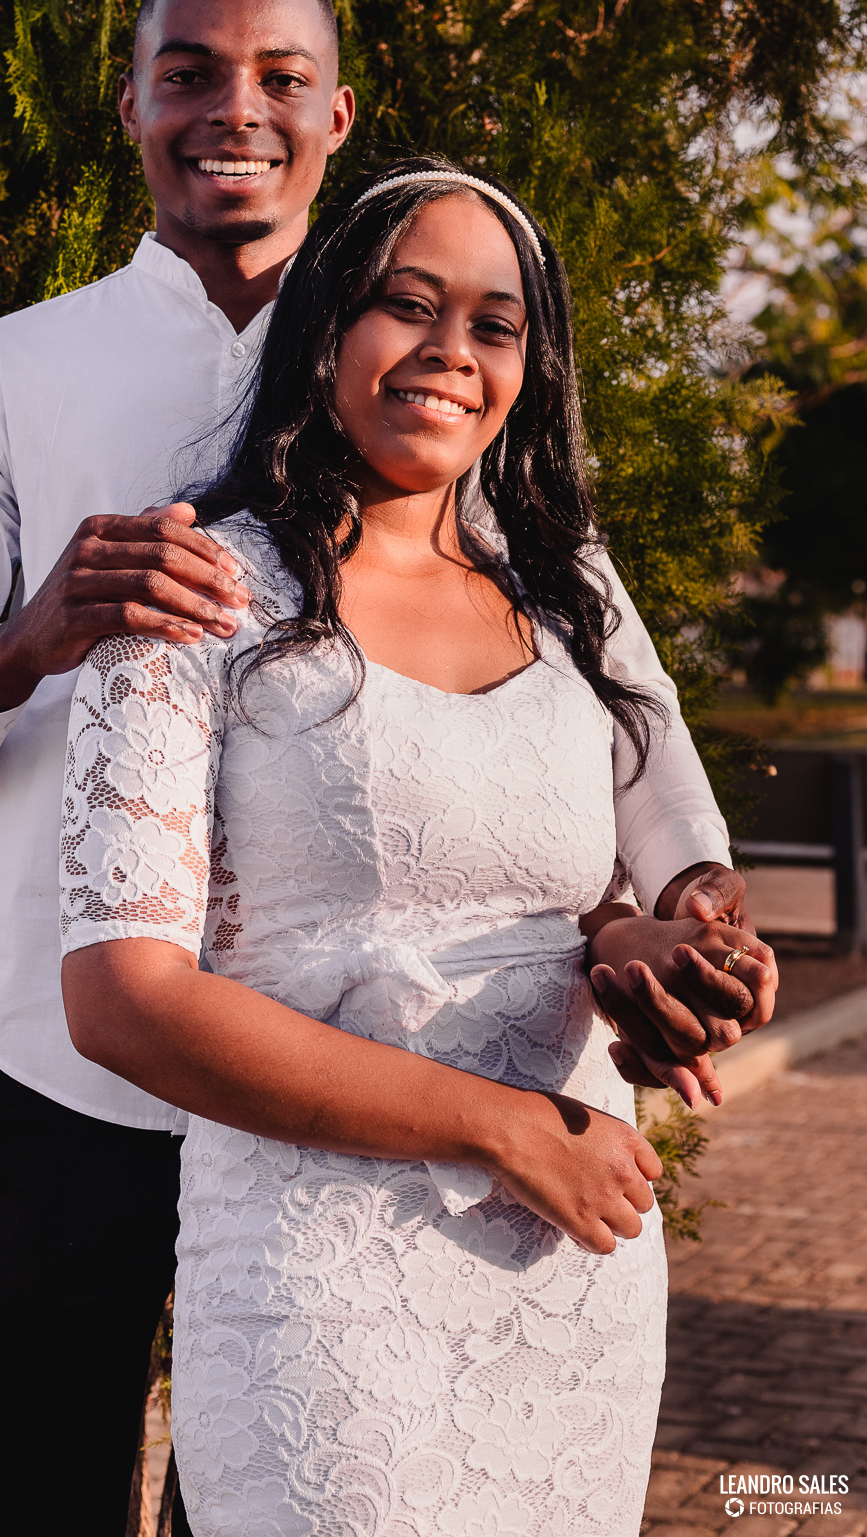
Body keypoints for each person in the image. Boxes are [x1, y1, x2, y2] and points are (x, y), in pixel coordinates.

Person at [0, 0, 772, 1534]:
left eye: (279, 78)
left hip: (378, 1113)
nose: (233, 110)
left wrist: (681, 907)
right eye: (189, 71)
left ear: (339, 113)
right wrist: (28, 640)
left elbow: (618, 718)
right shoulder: (5, 378)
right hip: (82, 1076)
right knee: (32, 1486)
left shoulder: (439, 369)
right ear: (128, 103)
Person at [58, 160, 777, 1536]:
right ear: (326, 326)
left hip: (567, 1270)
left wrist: (657, 954)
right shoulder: (202, 590)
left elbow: (654, 867)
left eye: (495, 325)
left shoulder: (569, 592)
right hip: (320, 1279)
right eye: (408, 304)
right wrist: (500, 1130)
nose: (453, 351)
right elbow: (123, 1000)